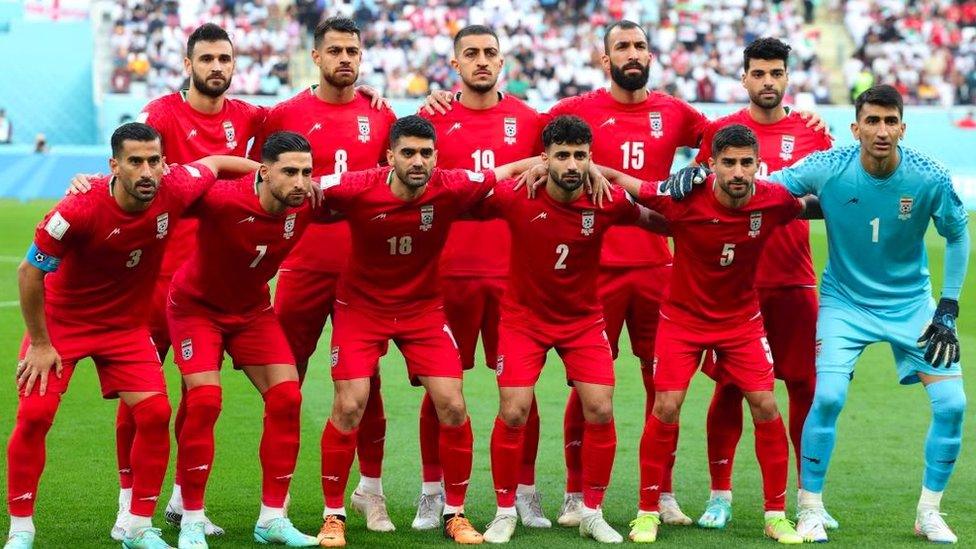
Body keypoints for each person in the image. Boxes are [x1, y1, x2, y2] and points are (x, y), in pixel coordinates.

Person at [4, 122, 257, 549]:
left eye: (154, 161)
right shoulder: (77, 209)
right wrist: (42, 343)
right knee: (34, 416)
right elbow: (29, 272)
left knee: (155, 414)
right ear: (114, 166)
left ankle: (138, 526)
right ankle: (21, 529)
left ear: (164, 163)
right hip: (62, 324)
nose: (146, 171)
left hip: (124, 328)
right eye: (135, 162)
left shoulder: (175, 187)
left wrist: (266, 174)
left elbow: (214, 163)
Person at [314, 115, 541, 547]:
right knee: (350, 403)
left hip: (422, 311)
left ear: (437, 156)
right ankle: (333, 514)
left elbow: (505, 171)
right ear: (389, 156)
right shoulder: (357, 186)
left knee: (453, 404)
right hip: (360, 309)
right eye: (408, 153)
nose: (417, 161)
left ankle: (454, 512)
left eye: (425, 153)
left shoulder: (451, 184)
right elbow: (302, 187)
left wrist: (548, 163)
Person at [767, 85, 969, 544]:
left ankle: (929, 513)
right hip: (845, 303)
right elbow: (768, 187)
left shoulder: (929, 177)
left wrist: (948, 307)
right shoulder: (829, 167)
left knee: (953, 405)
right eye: (872, 121)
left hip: (912, 305)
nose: (881, 130)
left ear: (903, 127)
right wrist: (704, 179)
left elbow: (957, 235)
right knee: (830, 396)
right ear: (855, 127)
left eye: (890, 121)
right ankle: (811, 508)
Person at [605, 124, 813, 544]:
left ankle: (776, 515)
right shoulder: (682, 199)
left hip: (741, 322)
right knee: (666, 405)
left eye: (746, 163)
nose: (738, 172)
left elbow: (817, 200)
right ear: (712, 164)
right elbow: (626, 184)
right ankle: (647, 512)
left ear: (758, 165)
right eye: (729, 163)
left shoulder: (772, 199)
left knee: (766, 405)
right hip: (682, 321)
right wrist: (582, 167)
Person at [477, 115, 665, 544]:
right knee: (514, 410)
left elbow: (658, 219)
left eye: (580, 155)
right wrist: (523, 168)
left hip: (582, 321)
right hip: (523, 319)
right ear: (545, 159)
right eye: (562, 155)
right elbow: (465, 200)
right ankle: (505, 510)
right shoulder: (518, 194)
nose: (572, 164)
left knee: (600, 408)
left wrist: (700, 217)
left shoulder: (607, 199)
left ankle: (591, 511)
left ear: (591, 159)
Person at [250, 16, 398, 533]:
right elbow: (254, 178)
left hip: (365, 269)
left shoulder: (381, 115)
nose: (345, 59)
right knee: (286, 382)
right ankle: (278, 501)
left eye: (352, 50)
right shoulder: (285, 114)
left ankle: (370, 493)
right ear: (315, 56)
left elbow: (400, 179)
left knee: (369, 383)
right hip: (303, 264)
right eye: (334, 50)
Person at [692, 37, 835, 530]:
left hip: (794, 282)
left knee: (804, 388)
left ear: (787, 77)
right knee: (729, 390)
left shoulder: (813, 134)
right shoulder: (723, 134)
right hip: (736, 288)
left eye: (777, 73)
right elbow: (693, 202)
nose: (768, 82)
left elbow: (835, 198)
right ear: (745, 77)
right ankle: (720, 495)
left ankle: (808, 498)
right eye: (759, 73)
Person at [416, 24, 549, 531]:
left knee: (520, 389)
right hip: (446, 273)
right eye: (470, 53)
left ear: (503, 61)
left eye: (490, 53)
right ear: (454, 63)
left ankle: (527, 490)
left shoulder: (529, 120)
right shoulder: (434, 120)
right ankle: (433, 492)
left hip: (515, 275)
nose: (481, 61)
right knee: (441, 388)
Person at [165, 132, 323, 548]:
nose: (301, 182)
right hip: (196, 309)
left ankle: (272, 519)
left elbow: (375, 189)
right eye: (290, 172)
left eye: (307, 172)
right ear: (264, 171)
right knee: (204, 401)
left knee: (288, 397)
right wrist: (88, 184)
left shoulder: (306, 203)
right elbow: (158, 188)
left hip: (252, 312)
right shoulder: (219, 199)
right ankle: (192, 519)